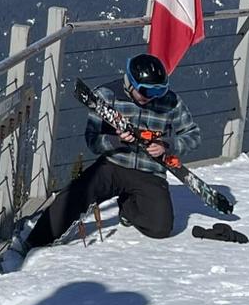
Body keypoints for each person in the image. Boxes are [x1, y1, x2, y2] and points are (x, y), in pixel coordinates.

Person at [14, 52, 200, 258]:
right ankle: (35, 239)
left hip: (149, 170)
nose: (151, 97)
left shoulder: (171, 102)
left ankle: (127, 207)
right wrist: (115, 141)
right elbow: (92, 140)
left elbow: (193, 135)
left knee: (160, 228)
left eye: (158, 91)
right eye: (146, 91)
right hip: (113, 164)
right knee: (76, 195)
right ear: (130, 83)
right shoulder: (106, 96)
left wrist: (167, 145)